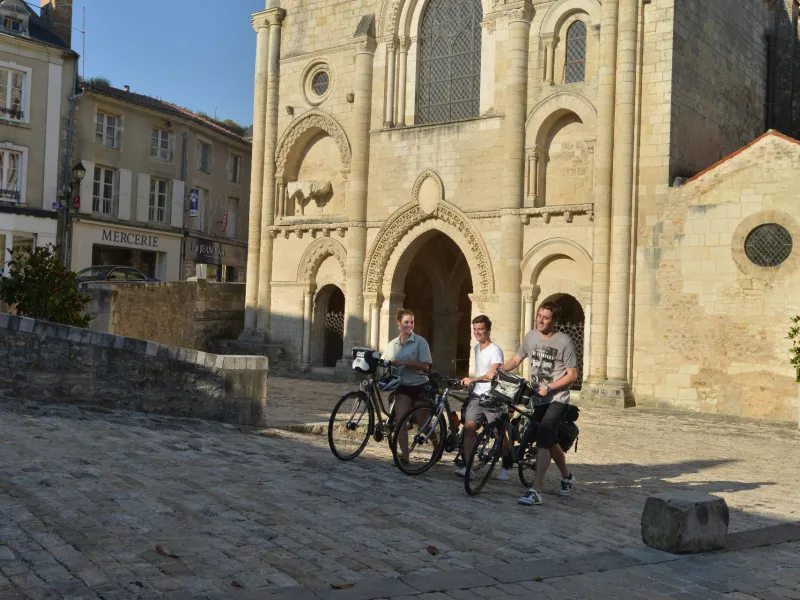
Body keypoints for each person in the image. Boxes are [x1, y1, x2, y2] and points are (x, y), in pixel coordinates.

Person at [500, 301, 577, 506]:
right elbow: (516, 360)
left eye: (546, 317)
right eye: (539, 316)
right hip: (537, 399)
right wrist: (499, 370)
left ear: (555, 321)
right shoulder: (531, 336)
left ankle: (536, 490)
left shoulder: (564, 342)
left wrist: (550, 387)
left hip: (557, 400)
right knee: (550, 442)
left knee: (543, 441)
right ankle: (567, 478)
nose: (541, 320)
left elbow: (572, 375)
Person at [456, 315, 510, 480]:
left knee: (498, 433)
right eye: (475, 329)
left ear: (488, 331)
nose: (477, 333)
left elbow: (492, 374)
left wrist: (473, 379)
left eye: (480, 329)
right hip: (478, 395)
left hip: (493, 397)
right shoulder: (476, 348)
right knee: (469, 429)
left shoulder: (495, 351)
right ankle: (468, 467)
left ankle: (506, 465)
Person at [381, 308, 434, 465]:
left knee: (423, 424)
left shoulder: (420, 342)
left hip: (420, 386)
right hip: (403, 387)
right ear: (399, 323)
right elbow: (384, 363)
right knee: (400, 422)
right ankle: (405, 457)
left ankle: (437, 445)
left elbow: (426, 366)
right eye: (406, 322)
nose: (409, 325)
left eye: (411, 322)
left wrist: (406, 363)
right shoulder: (392, 344)